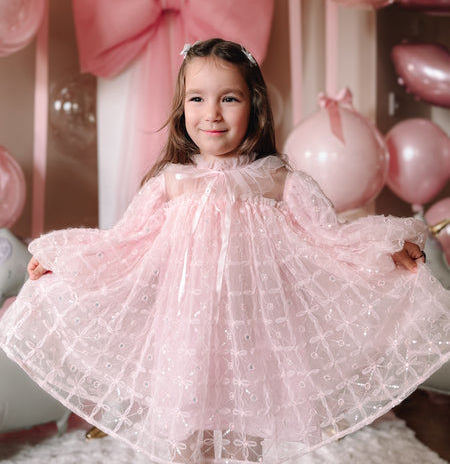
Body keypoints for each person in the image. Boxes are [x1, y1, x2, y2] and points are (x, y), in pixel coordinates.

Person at [0, 38, 449, 463]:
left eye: (229, 98)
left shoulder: (278, 182)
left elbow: (329, 239)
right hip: (185, 336)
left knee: (244, 438)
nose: (211, 113)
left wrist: (384, 251)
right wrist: (65, 261)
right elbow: (123, 245)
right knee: (185, 439)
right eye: (197, 98)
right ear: (182, 108)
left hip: (253, 335)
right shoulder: (171, 183)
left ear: (254, 105)